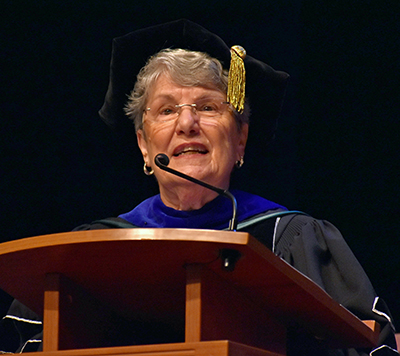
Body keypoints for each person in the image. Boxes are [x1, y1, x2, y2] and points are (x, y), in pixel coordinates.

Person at [0, 19, 398, 355]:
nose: (187, 123)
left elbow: (363, 341)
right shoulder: (93, 249)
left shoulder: (291, 239)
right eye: (167, 109)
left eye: (208, 107)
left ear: (240, 139)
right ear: (143, 143)